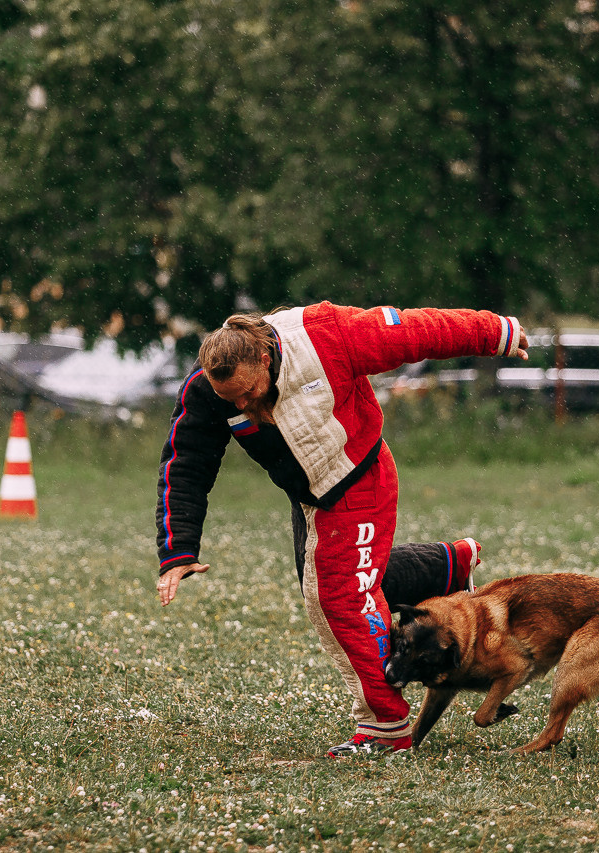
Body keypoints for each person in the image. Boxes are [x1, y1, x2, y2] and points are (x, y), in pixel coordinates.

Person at [155, 302, 528, 757]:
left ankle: (386, 726)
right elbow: (186, 464)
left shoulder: (326, 335)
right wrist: (177, 548)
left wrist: (496, 331)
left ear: (266, 359)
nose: (241, 405)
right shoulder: (207, 389)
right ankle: (446, 566)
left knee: (339, 599)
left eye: (249, 392)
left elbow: (417, 331)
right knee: (338, 587)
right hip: (310, 494)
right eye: (231, 399)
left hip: (359, 479)